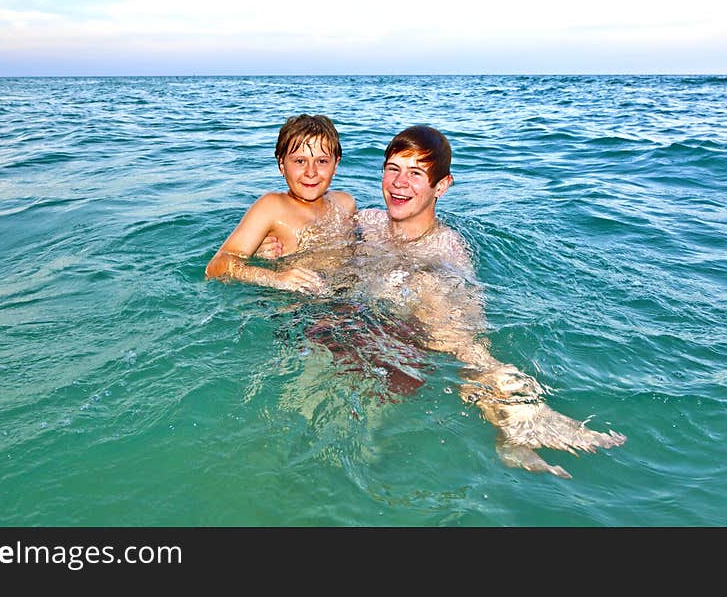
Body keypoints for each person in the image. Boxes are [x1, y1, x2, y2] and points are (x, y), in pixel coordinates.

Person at [257, 125, 626, 478]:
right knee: (304, 437)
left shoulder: (447, 250)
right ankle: (515, 425)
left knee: (454, 328)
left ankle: (523, 415)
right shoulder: (363, 221)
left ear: (442, 186)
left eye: (416, 173)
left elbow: (462, 332)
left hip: (402, 342)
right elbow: (314, 245)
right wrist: (273, 251)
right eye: (392, 170)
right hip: (343, 324)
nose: (400, 183)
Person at [205, 114, 356, 293]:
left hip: (349, 294)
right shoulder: (272, 207)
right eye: (300, 161)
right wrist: (273, 276)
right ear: (282, 164)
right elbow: (215, 266)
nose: (311, 172)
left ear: (335, 165)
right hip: (300, 306)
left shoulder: (345, 203)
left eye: (321, 161)